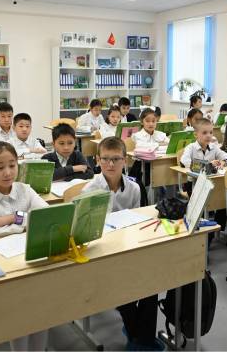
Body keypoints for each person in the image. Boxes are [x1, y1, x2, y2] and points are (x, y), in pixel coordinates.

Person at [82, 137, 162, 350]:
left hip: (128, 246)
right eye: (105, 159)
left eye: (116, 159)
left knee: (152, 280)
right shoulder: (90, 190)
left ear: (125, 160)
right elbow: (84, 231)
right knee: (123, 283)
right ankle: (140, 339)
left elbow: (136, 221)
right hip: (102, 252)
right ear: (97, 160)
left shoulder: (134, 188)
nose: (110, 164)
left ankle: (140, 337)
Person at [0, 141, 49, 350]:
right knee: (18, 313)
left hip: (28, 256)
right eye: (0, 167)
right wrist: (22, 225)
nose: (7, 172)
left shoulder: (25, 189)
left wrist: (12, 218)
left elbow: (46, 215)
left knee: (42, 308)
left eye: (12, 165)